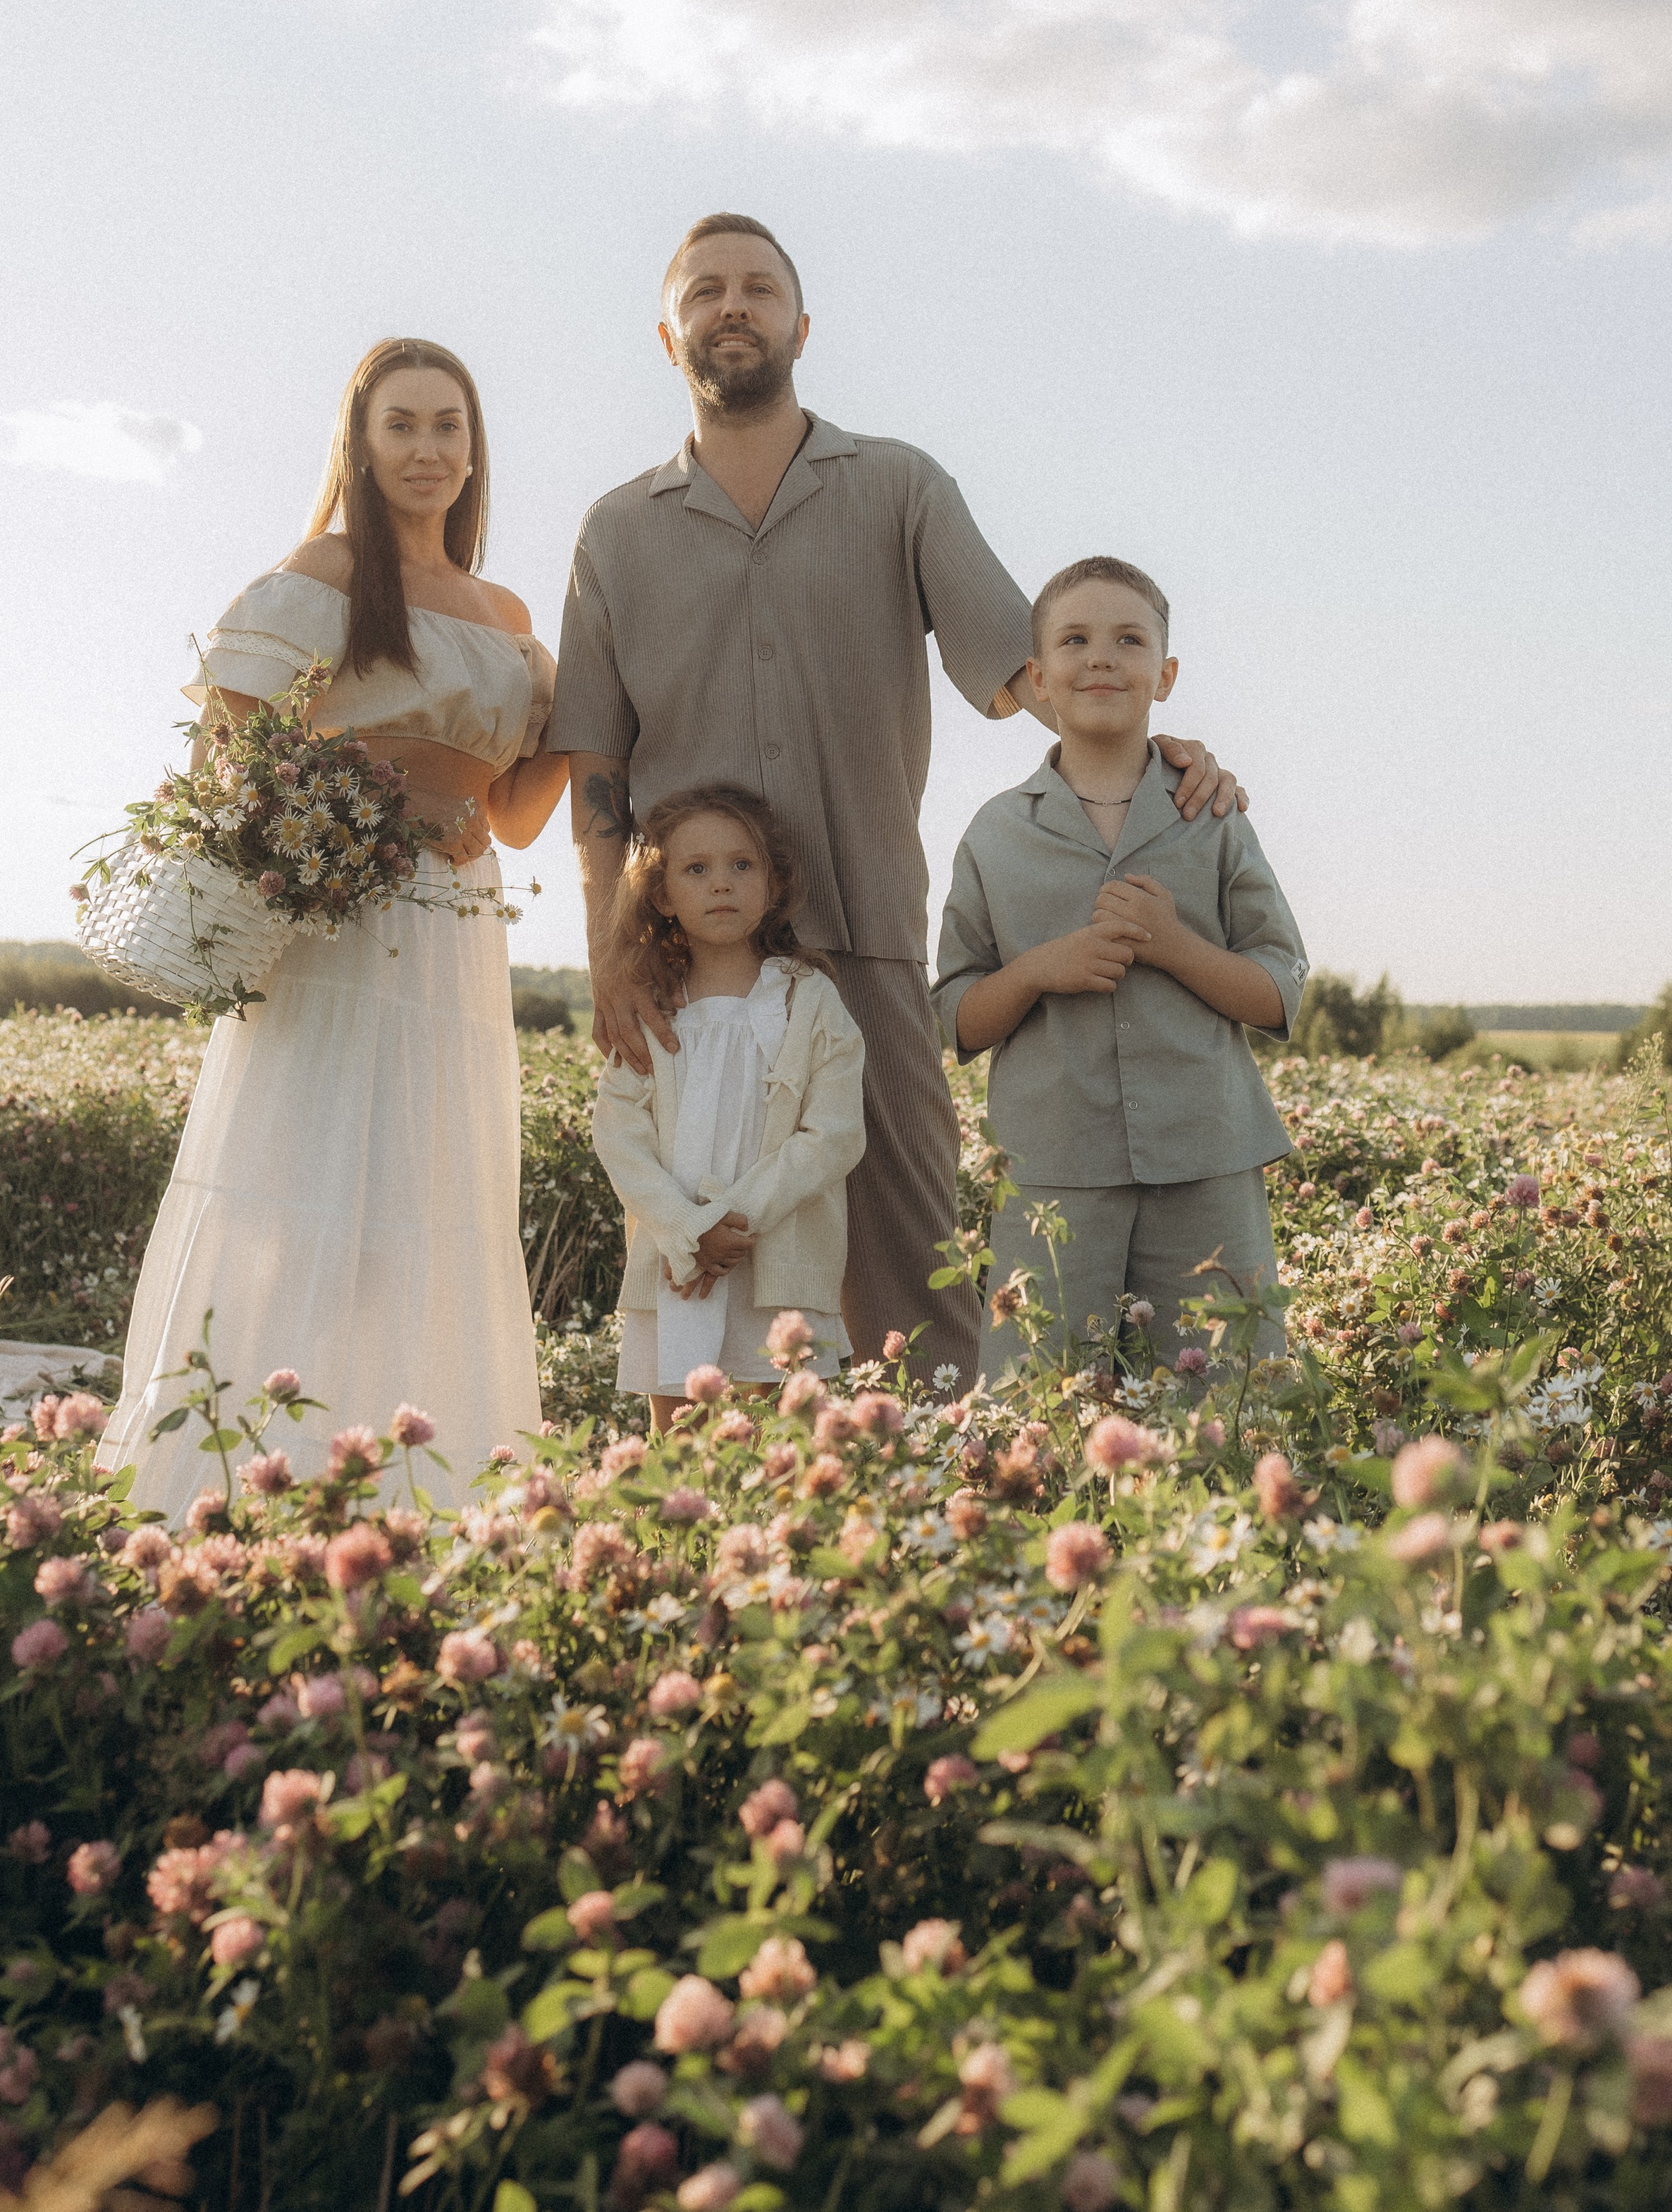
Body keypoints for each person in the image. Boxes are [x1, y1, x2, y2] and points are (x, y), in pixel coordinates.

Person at [550, 211, 1243, 1367]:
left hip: (864, 941)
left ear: (802, 326)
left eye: (759, 289)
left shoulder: (901, 489)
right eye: (706, 290)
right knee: (695, 1274)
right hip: (683, 970)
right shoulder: (615, 533)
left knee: (914, 1263)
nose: (733, 306)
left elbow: (1029, 672)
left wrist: (1150, 738)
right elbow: (596, 773)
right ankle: (706, 1531)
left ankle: (944, 1515)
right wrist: (612, 957)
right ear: (667, 337)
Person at [99, 338, 569, 1518]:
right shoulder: (320, 575)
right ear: (360, 444)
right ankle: (234, 1492)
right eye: (401, 425)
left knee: (430, 1203)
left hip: (456, 935)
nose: (427, 450)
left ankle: (408, 1500)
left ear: (475, 449)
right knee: (296, 1190)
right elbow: (229, 755)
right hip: (338, 925)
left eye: (447, 427)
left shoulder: (506, 617)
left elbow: (512, 819)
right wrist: (372, 804)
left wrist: (585, 723)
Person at [932, 555, 1308, 1372]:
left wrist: (1175, 948)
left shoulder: (1212, 816)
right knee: (1036, 1402)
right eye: (1074, 639)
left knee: (1235, 1399)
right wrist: (1038, 970)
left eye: (1128, 639)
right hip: (1051, 1175)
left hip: (1208, 1158)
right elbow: (953, 1015)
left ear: (1164, 675)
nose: (1100, 658)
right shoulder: (996, 834)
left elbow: (1280, 991)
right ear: (1038, 675)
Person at [591, 787, 865, 1435]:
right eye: (697, 869)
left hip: (778, 1265)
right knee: (681, 1451)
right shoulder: (653, 1008)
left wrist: (731, 1225)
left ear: (773, 883)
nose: (722, 884)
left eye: (743, 865)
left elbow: (833, 1136)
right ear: (662, 896)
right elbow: (619, 1138)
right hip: (679, 1265)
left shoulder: (809, 1001)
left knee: (790, 1455)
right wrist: (690, 1230)